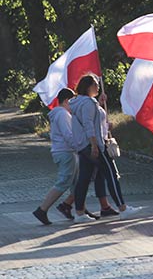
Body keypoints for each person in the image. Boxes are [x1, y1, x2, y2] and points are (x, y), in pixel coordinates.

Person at [70, 73, 141, 222]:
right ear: (88, 86)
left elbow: (92, 120)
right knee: (111, 174)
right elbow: (89, 124)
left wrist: (99, 105)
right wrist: (95, 145)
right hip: (94, 145)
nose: (98, 87)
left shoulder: (80, 102)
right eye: (95, 84)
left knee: (84, 178)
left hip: (83, 146)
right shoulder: (88, 103)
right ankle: (122, 208)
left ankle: (79, 212)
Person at [32, 88, 78, 225]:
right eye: (73, 101)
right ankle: (42, 209)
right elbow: (68, 134)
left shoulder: (59, 114)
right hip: (66, 152)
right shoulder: (63, 114)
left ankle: (77, 208)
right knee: (64, 182)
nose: (74, 105)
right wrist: (79, 146)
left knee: (78, 182)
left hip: (64, 151)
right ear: (66, 100)